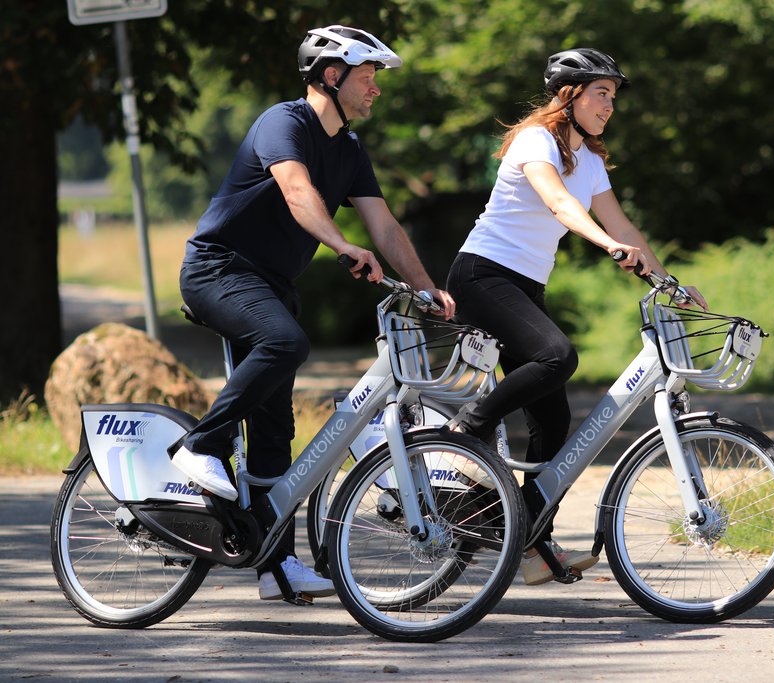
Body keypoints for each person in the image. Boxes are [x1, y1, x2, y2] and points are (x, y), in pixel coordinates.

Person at [172, 25, 455, 601]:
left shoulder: (348, 149)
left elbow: (384, 225)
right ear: (332, 75)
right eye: (369, 76)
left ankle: (274, 567)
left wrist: (427, 288)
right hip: (220, 270)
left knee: (276, 428)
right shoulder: (285, 123)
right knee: (286, 343)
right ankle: (199, 447)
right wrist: (343, 246)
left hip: (274, 284)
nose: (376, 88)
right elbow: (298, 192)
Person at [446, 48, 707, 586]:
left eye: (614, 96)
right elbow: (562, 205)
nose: (610, 105)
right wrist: (607, 245)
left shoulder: (589, 161)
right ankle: (469, 427)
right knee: (557, 356)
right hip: (481, 275)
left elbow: (623, 224)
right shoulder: (535, 140)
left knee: (555, 423)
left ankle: (524, 535)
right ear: (568, 95)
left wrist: (669, 283)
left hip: (523, 285)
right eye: (601, 93)